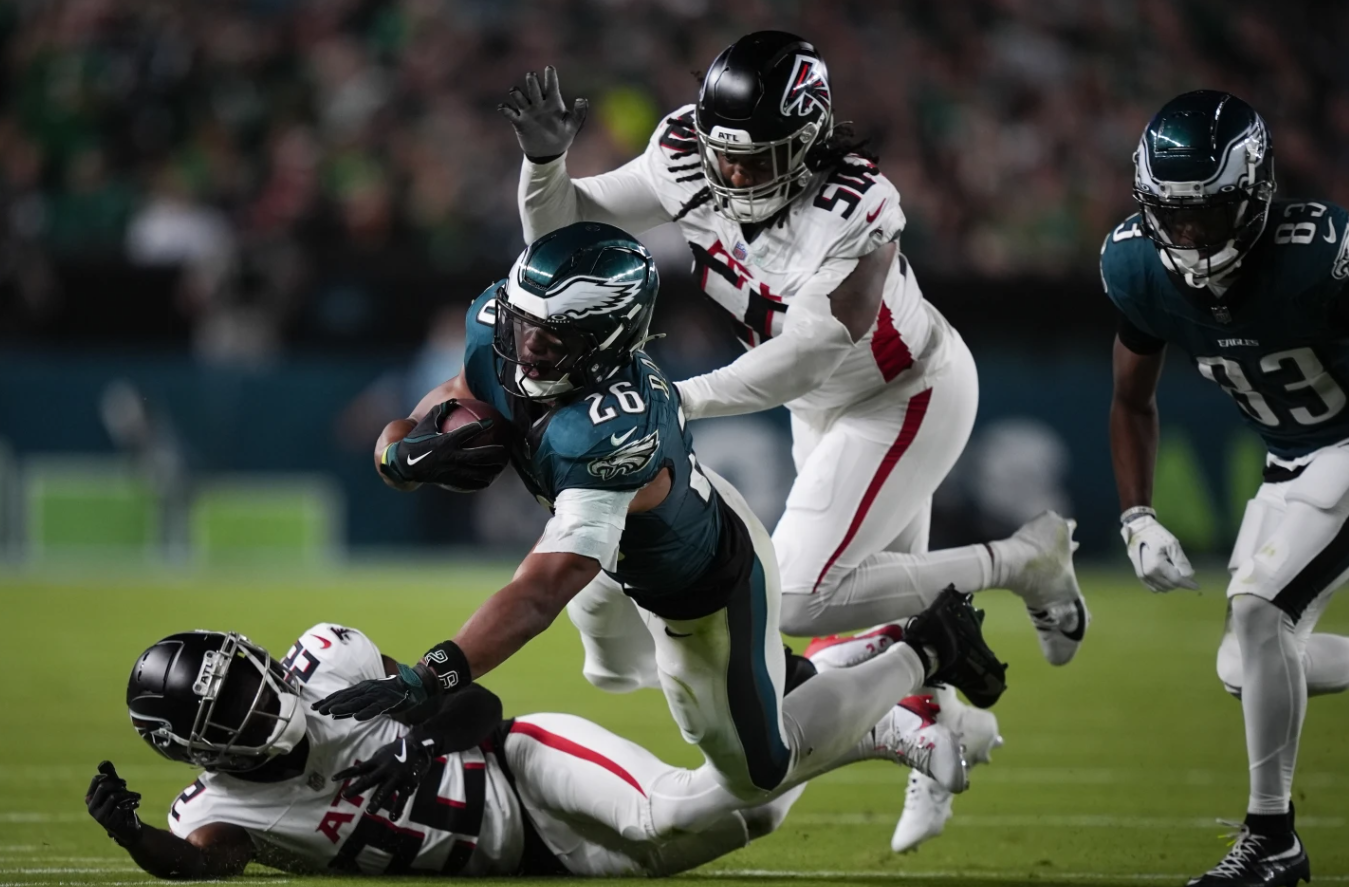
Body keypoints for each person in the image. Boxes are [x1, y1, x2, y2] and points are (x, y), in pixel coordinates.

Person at [498, 30, 1082, 852]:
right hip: (819, 409)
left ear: (806, 142)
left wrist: (682, 398)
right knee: (866, 610)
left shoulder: (857, 208)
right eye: (723, 156)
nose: (731, 175)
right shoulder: (687, 154)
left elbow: (812, 349)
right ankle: (930, 727)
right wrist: (545, 169)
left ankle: (1025, 559)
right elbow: (564, 236)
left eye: (754, 159)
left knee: (804, 597)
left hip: (901, 392)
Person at [307, 221, 1007, 833]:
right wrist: (398, 452)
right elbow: (455, 394)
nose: (522, 349)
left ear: (600, 341)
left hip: (699, 582)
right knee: (609, 669)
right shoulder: (502, 322)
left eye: (548, 340)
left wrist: (434, 672)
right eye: (521, 326)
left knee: (760, 778)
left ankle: (926, 644)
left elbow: (542, 588)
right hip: (613, 548)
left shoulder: (609, 428)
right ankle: (794, 675)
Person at [87, 622, 973, 877]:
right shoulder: (219, 807)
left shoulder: (331, 663)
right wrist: (135, 839)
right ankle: (856, 682)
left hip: (518, 764)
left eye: (245, 677)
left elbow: (475, 698)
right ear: (193, 749)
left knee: (665, 805)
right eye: (230, 709)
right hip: (532, 859)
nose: (258, 698)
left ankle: (905, 674)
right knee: (760, 810)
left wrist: (416, 738)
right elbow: (201, 865)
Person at [1105, 89, 1349, 887]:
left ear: (1251, 195)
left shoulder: (1321, 252)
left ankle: (1271, 838)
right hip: (1292, 458)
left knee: (1257, 608)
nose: (1184, 235)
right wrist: (1136, 516)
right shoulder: (1136, 266)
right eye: (1168, 215)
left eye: (1203, 215)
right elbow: (1131, 399)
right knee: (1245, 663)